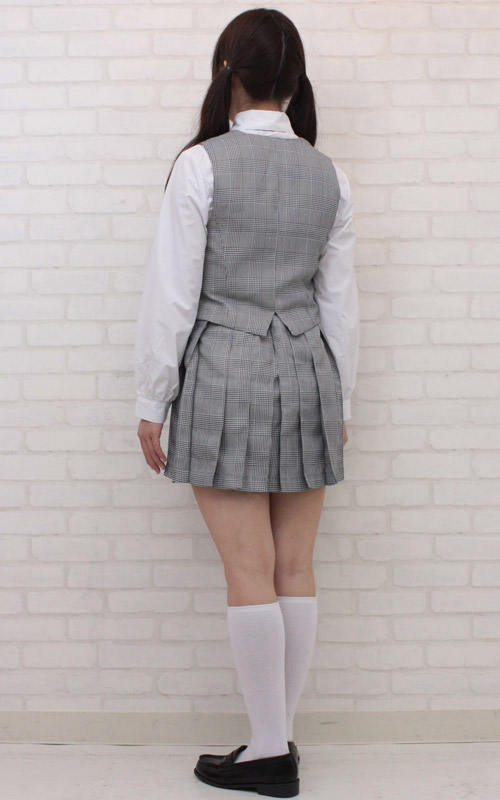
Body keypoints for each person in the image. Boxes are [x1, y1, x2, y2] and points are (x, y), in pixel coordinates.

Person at [134, 8, 359, 797]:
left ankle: (268, 751)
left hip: (225, 369)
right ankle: (275, 742)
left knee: (248, 569)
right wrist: (340, 400)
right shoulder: (330, 176)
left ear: (228, 72)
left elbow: (172, 293)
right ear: (295, 82)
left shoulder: (201, 166)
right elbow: (340, 306)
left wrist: (152, 397)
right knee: (293, 566)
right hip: (309, 372)